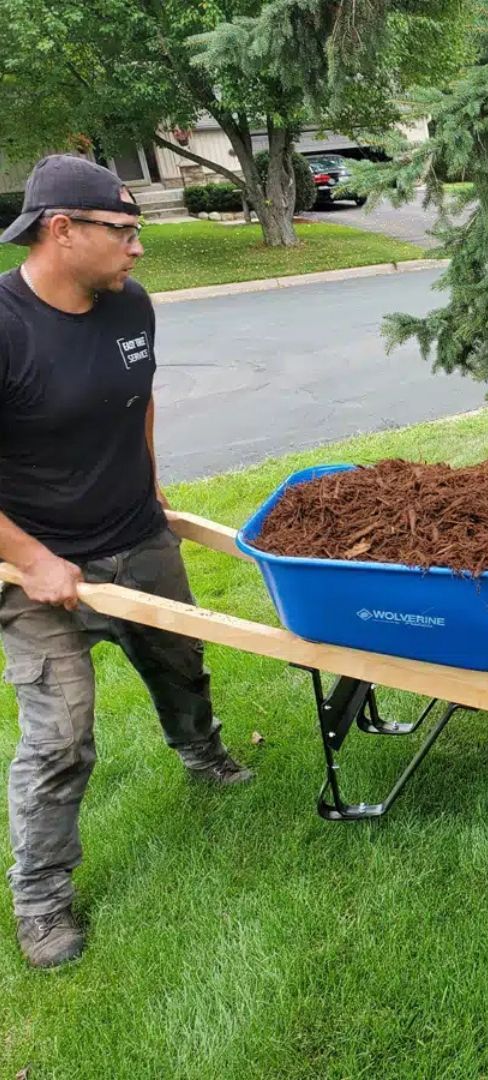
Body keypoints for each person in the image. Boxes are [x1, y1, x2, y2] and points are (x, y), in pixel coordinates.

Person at [0, 155, 251, 970]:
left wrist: (152, 492)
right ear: (60, 230)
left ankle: (201, 751)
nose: (138, 248)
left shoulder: (129, 305)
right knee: (61, 734)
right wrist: (33, 559)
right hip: (36, 569)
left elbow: (136, 404)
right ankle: (41, 899)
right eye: (124, 231)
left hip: (137, 536)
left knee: (181, 664)